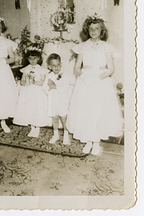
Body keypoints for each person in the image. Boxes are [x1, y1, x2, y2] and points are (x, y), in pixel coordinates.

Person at [66, 14, 123, 155]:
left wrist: (97, 78)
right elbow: (77, 67)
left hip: (100, 82)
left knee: (97, 112)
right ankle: (88, 140)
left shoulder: (107, 47)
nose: (94, 31)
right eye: (91, 29)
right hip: (85, 82)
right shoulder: (82, 47)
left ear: (101, 30)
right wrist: (82, 76)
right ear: (87, 30)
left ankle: (96, 141)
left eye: (97, 28)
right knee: (85, 112)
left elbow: (110, 69)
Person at [13, 44, 50, 137]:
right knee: (29, 109)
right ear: (28, 59)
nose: (32, 60)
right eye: (30, 58)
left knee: (37, 109)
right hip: (28, 92)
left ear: (38, 58)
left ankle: (37, 127)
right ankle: (32, 127)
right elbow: (22, 81)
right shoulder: (26, 69)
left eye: (35, 58)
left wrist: (35, 81)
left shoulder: (41, 70)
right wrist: (26, 81)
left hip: (37, 92)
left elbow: (43, 82)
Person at [42, 53, 71, 145]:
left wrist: (55, 86)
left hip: (62, 100)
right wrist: (49, 87)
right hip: (52, 101)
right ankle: (56, 134)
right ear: (49, 66)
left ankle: (66, 135)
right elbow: (44, 88)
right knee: (54, 118)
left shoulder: (65, 75)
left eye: (58, 65)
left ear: (61, 64)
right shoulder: (48, 76)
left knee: (63, 118)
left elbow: (66, 87)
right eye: (54, 66)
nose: (56, 67)